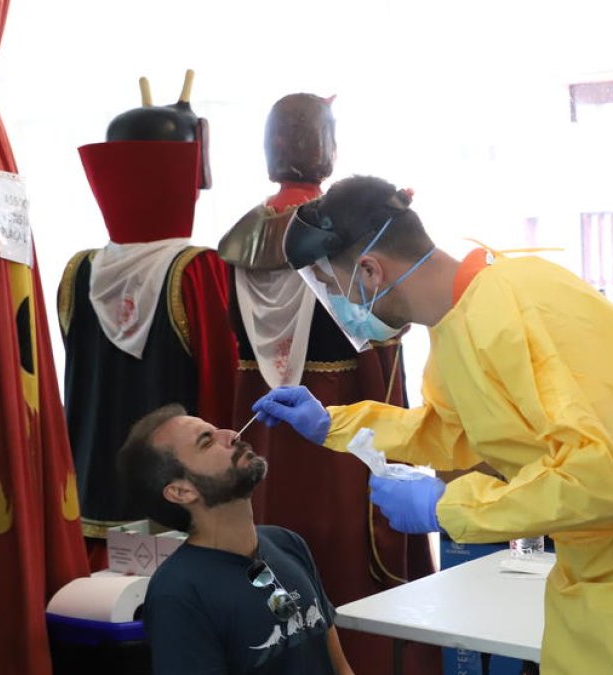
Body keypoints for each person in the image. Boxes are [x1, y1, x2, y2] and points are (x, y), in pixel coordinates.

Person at [254, 176, 613, 674]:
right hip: (596, 573)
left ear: (369, 272)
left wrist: (447, 507)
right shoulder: (456, 324)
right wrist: (334, 425)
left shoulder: (530, 304)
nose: (340, 307)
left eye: (332, 288)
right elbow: (450, 431)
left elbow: (607, 476)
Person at [216, 93, 435, 675]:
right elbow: (385, 369)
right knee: (355, 572)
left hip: (262, 434)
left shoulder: (235, 243)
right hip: (344, 440)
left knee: (273, 571)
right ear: (327, 146)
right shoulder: (347, 231)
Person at [59, 73, 237, 560]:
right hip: (178, 507)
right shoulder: (199, 269)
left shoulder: (79, 270)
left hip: (92, 495)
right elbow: (222, 382)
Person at [117, 404, 353, 675]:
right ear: (181, 491)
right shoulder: (178, 593)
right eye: (207, 441)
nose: (232, 434)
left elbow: (339, 666)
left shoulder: (288, 543)